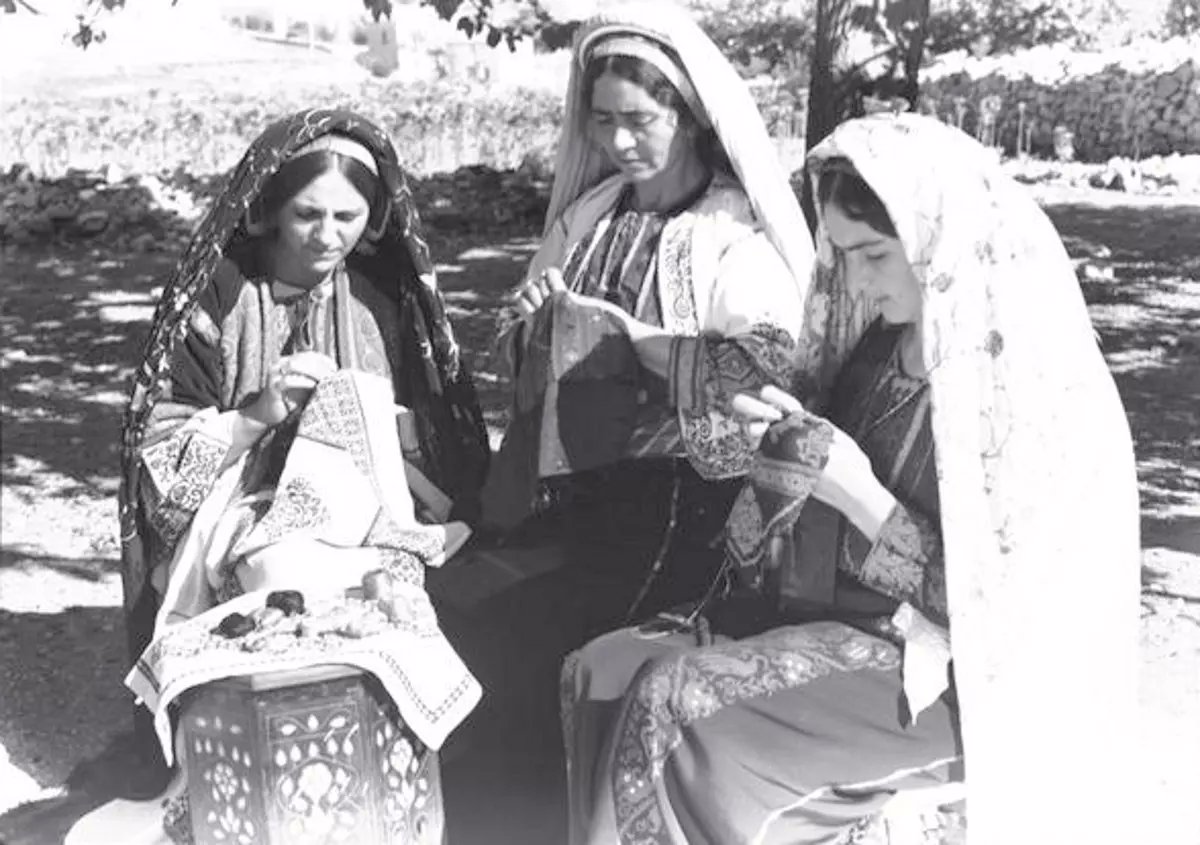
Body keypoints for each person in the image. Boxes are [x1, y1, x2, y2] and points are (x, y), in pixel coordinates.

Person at [561, 112, 1141, 845]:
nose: (858, 283)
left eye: (873, 255)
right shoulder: (881, 348)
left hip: (949, 679)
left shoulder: (1032, 390)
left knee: (673, 700)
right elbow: (800, 513)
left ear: (938, 242)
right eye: (843, 256)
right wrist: (782, 441)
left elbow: (1003, 618)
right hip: (840, 619)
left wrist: (860, 493)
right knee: (603, 669)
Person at [73, 108, 490, 844]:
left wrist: (375, 422)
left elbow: (436, 441)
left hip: (365, 501)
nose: (328, 236)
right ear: (266, 210)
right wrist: (260, 412)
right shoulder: (218, 299)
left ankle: (374, 766)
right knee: (280, 567)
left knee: (385, 585)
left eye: (348, 217)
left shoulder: (379, 303)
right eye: (308, 214)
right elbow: (160, 458)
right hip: (237, 501)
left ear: (375, 216)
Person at [477, 0, 814, 653]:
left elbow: (772, 371)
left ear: (687, 117)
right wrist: (531, 324)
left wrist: (635, 343)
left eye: (639, 120)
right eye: (602, 121)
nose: (618, 142)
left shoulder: (731, 231)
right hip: (569, 492)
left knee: (544, 635)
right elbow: (512, 345)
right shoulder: (589, 217)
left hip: (687, 510)